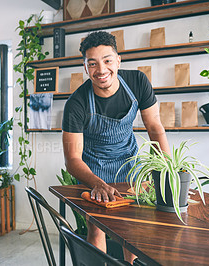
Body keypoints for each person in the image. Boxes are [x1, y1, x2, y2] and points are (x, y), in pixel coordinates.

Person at [62, 31, 170, 263]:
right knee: (97, 227)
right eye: (93, 63)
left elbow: (155, 128)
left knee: (130, 226)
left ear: (118, 60)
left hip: (129, 164)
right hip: (93, 169)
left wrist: (166, 170)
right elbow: (72, 159)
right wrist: (98, 184)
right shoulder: (77, 103)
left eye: (107, 60)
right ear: (85, 67)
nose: (101, 70)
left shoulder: (137, 82)